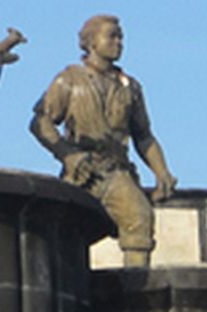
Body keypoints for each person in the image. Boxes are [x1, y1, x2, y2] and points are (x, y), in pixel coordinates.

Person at [30, 14, 178, 267]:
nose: (119, 42)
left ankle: (135, 287)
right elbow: (40, 121)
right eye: (112, 36)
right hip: (80, 171)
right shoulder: (70, 79)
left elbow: (143, 135)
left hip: (115, 171)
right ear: (91, 42)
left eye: (121, 37)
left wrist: (162, 172)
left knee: (139, 217)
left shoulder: (130, 87)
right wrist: (68, 155)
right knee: (67, 229)